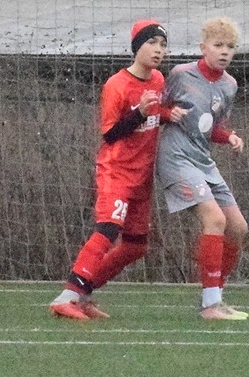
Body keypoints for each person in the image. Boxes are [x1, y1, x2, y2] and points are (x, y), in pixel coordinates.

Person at [51, 20, 184, 320]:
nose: (159, 50)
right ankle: (67, 296)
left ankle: (82, 294)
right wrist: (139, 113)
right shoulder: (117, 85)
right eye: (152, 43)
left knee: (136, 246)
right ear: (137, 47)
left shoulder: (158, 80)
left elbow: (156, 113)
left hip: (142, 176)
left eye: (163, 45)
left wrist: (169, 113)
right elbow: (110, 133)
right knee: (108, 229)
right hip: (116, 171)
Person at [159, 17, 249, 321]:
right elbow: (155, 109)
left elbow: (211, 127)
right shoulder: (181, 74)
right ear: (203, 47)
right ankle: (210, 305)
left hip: (202, 160)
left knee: (238, 228)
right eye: (218, 45)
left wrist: (230, 137)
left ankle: (215, 297)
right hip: (176, 156)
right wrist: (166, 113)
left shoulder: (229, 85)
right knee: (214, 219)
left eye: (230, 47)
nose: (224, 52)